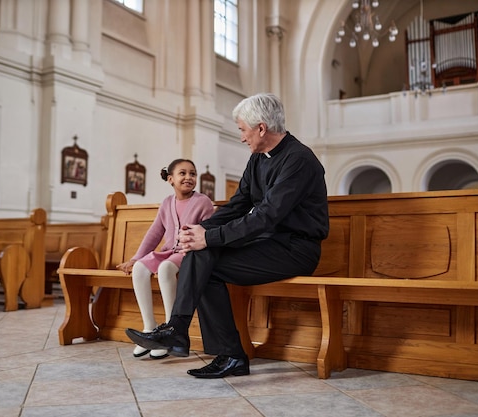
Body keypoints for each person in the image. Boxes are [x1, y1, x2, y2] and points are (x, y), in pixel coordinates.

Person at [126, 93, 329, 378]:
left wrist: (209, 237)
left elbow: (266, 215)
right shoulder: (257, 159)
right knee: (201, 259)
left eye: (242, 130)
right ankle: (199, 339)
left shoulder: (299, 160)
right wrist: (201, 231)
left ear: (260, 128)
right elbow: (238, 205)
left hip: (296, 249)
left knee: (204, 255)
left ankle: (188, 335)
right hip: (266, 244)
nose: (242, 137)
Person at [117, 159, 214, 359]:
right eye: (183, 173)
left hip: (188, 253)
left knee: (165, 269)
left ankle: (171, 331)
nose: (189, 177)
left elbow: (208, 230)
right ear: (171, 179)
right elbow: (154, 233)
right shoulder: (167, 203)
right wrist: (136, 258)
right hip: (169, 250)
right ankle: (149, 328)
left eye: (193, 174)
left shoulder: (202, 201)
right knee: (140, 269)